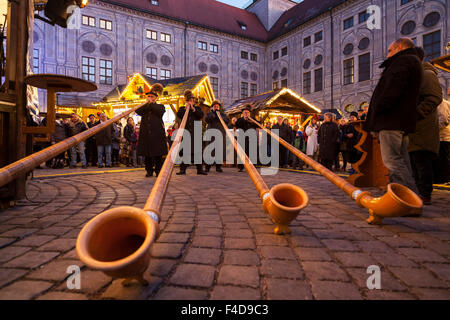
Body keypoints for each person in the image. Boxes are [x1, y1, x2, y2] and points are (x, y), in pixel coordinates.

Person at [363, 37, 422, 193]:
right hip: (399, 121)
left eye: (390, 50)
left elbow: (391, 92)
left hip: (391, 121)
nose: (388, 54)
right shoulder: (412, 62)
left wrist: (378, 111)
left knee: (393, 160)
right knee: (402, 160)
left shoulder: (402, 62)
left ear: (400, 47)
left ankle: (409, 196)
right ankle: (398, 193)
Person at [408, 47, 443, 205]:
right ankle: (417, 192)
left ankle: (425, 194)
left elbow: (434, 97)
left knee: (422, 163)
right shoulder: (415, 76)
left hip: (422, 128)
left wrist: (415, 114)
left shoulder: (427, 74)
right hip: (413, 129)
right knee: (415, 164)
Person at [135, 83, 167, 177]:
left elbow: (159, 111)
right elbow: (138, 111)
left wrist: (151, 103)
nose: (149, 97)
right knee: (147, 155)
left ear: (155, 98)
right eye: (148, 96)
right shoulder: (144, 107)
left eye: (151, 96)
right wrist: (146, 103)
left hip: (157, 135)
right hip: (146, 135)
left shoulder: (160, 106)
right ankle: (149, 171)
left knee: (158, 154)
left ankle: (158, 171)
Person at [176, 90, 207, 175]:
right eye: (188, 100)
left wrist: (193, 109)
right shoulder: (182, 109)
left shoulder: (197, 108)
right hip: (186, 133)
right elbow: (179, 115)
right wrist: (186, 108)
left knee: (198, 151)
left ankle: (199, 169)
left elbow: (200, 115)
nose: (190, 101)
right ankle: (182, 169)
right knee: (185, 151)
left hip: (195, 132)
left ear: (193, 101)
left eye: (191, 100)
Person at [205, 100, 229, 173]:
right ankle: (207, 167)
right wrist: (214, 115)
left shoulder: (222, 114)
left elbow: (227, 121)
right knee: (210, 151)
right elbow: (206, 120)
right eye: (215, 106)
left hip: (220, 134)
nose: (216, 108)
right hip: (211, 135)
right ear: (212, 107)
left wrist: (220, 116)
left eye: (217, 107)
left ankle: (218, 167)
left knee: (219, 151)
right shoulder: (209, 114)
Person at [235, 105, 259, 172]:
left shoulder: (253, 119)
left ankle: (252, 167)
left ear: (249, 113)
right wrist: (244, 120)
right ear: (242, 113)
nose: (246, 113)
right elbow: (237, 125)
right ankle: (241, 167)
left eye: (247, 112)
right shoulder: (240, 120)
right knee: (242, 153)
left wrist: (252, 122)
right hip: (242, 139)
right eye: (245, 112)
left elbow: (258, 124)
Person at [434, 99, 450, 184]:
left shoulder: (443, 104)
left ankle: (444, 179)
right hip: (438, 137)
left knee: (443, 159)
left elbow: (444, 120)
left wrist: (432, 129)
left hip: (443, 137)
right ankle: (440, 178)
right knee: (439, 159)